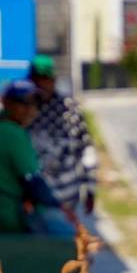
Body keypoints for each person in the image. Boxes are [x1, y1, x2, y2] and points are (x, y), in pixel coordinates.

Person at [0, 80, 78, 236]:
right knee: (71, 235)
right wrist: (62, 209)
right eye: (23, 103)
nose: (30, 110)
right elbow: (34, 183)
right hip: (4, 217)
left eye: (35, 105)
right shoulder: (11, 132)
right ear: (6, 102)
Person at [27, 55, 98, 229]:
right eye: (37, 79)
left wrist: (90, 188)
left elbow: (86, 149)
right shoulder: (25, 109)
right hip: (34, 197)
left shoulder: (69, 109)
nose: (42, 84)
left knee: (65, 245)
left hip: (66, 195)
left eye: (46, 79)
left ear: (54, 79)